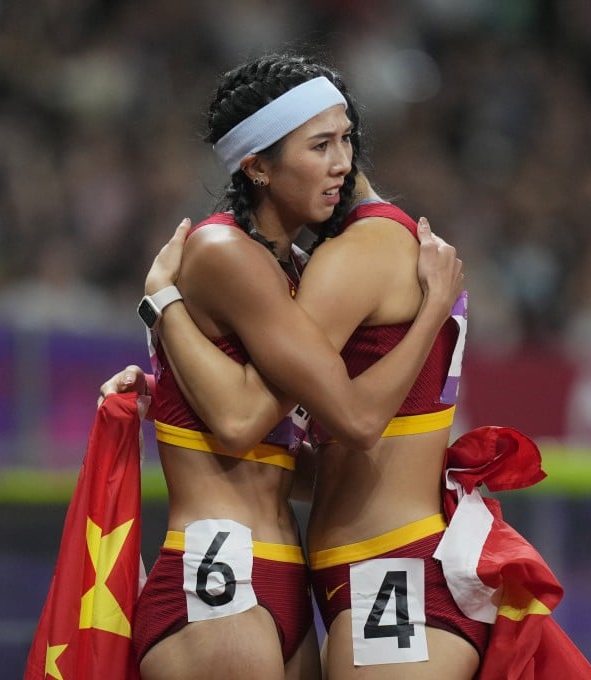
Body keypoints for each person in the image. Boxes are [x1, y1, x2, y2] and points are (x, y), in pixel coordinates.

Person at [141, 54, 487, 679]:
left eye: (346, 138)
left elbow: (284, 440)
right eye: (320, 145)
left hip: (305, 573)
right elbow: (248, 420)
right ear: (257, 167)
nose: (343, 163)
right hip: (235, 571)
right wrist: (160, 309)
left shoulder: (302, 270)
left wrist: (164, 319)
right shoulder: (231, 251)